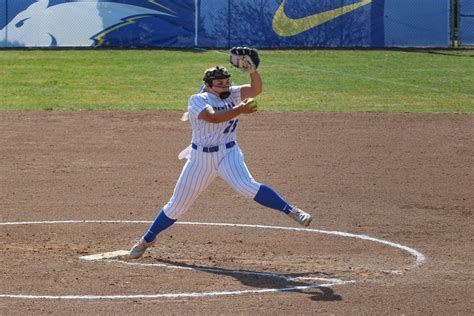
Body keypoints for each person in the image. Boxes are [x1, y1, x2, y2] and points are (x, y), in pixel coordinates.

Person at [129, 63, 312, 259]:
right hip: (200, 160)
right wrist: (240, 109)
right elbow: (213, 118)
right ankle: (147, 239)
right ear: (208, 85)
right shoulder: (198, 100)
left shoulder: (232, 94)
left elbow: (256, 89)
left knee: (246, 186)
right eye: (219, 84)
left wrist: (252, 71)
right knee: (177, 206)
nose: (225, 86)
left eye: (226, 82)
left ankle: (292, 211)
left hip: (229, 154)